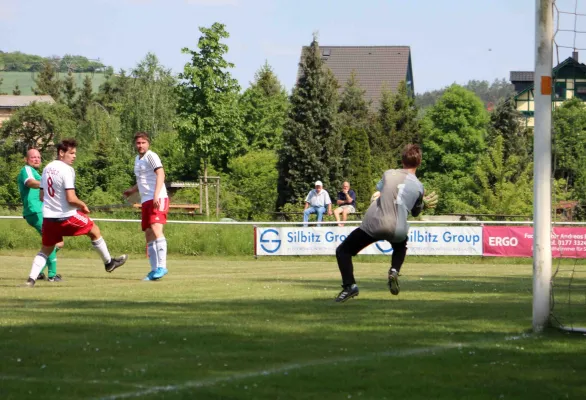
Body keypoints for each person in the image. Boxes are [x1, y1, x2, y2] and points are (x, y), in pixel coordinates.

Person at [334, 144, 438, 302]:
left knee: (343, 251)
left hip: (375, 223)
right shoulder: (419, 187)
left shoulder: (389, 173)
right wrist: (423, 204)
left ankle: (350, 286)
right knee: (401, 245)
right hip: (398, 229)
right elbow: (416, 212)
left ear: (402, 159)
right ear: (420, 162)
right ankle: (394, 269)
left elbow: (380, 191)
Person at [25, 139, 128, 287]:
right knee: (94, 230)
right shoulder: (67, 170)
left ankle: (31, 280)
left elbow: (42, 196)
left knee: (46, 249)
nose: (74, 156)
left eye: (75, 153)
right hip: (65, 216)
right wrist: (82, 205)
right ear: (61, 153)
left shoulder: (47, 168)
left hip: (48, 218)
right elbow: (71, 198)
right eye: (71, 153)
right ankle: (109, 263)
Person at [123, 132, 169, 281]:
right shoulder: (137, 159)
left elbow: (161, 174)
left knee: (156, 228)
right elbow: (143, 180)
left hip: (158, 198)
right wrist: (132, 190)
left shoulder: (151, 156)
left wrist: (156, 194)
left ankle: (162, 266)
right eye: (138, 143)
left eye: (143, 143)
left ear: (148, 143)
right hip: (146, 200)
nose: (140, 145)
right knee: (148, 234)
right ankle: (154, 270)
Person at [17, 149, 64, 282]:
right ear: (27, 159)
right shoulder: (26, 170)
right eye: (33, 157)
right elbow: (29, 182)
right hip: (35, 211)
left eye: (38, 157)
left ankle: (38, 272)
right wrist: (47, 184)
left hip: (41, 212)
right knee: (51, 241)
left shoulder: (37, 172)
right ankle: (52, 275)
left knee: (59, 243)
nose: (36, 159)